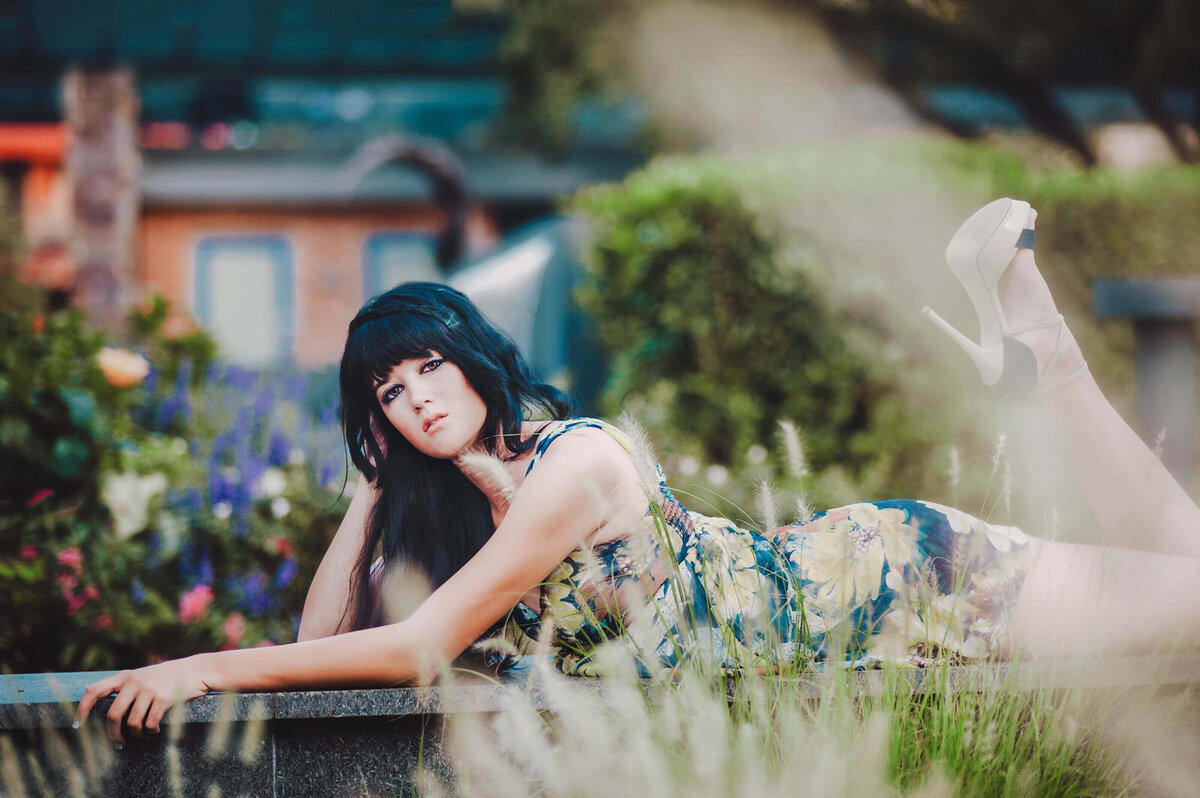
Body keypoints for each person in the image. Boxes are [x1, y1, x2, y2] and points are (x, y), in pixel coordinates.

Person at [78, 199, 1200, 745]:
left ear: (473, 361)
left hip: (900, 584)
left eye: (428, 366)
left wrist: (203, 670)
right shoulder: (455, 494)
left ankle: (1043, 344)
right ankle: (1038, 343)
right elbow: (334, 649)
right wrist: (372, 488)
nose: (415, 394)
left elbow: (418, 647)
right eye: (387, 392)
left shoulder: (574, 464)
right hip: (851, 622)